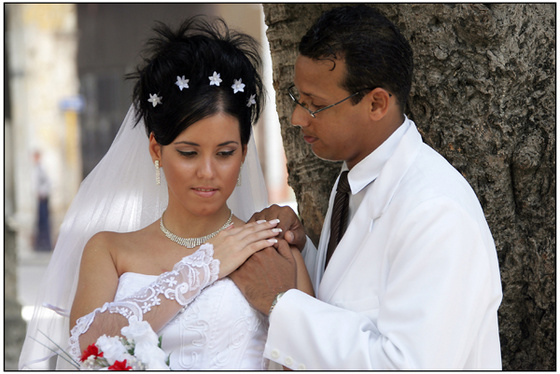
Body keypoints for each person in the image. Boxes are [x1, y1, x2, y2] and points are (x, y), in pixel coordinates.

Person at [19, 17, 313, 370]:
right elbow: (85, 347)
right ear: (156, 150)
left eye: (225, 153)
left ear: (245, 153)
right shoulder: (109, 250)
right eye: (188, 153)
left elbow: (308, 357)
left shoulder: (272, 247)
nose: (207, 172)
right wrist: (205, 265)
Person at [230, 5, 502, 370]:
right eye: (299, 100)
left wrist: (280, 302)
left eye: (316, 105)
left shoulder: (436, 212)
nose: (297, 118)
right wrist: (296, 250)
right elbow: (347, 295)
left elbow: (408, 365)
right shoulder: (353, 180)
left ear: (376, 103)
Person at [33, 151, 52, 251]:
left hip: (43, 198)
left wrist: (42, 193)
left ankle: (45, 245)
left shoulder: (42, 168)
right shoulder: (37, 168)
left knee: (44, 222)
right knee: (41, 222)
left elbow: (48, 182)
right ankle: (41, 245)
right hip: (40, 198)